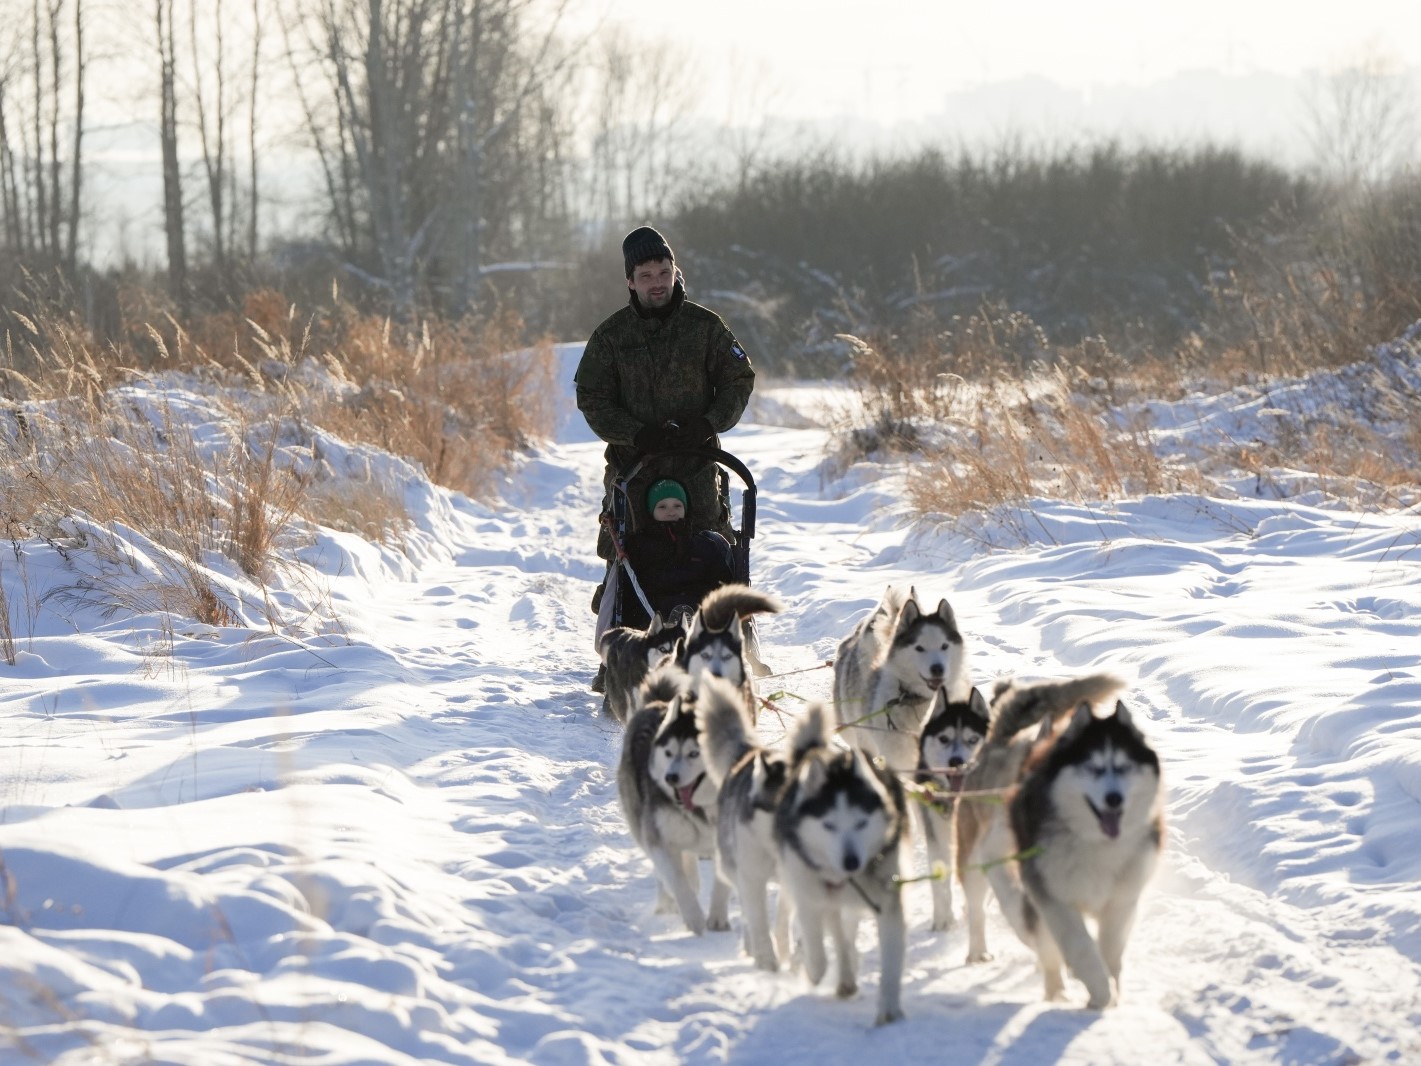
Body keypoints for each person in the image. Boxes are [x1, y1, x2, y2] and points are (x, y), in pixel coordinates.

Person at [576, 224, 755, 615]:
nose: (657, 283)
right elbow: (592, 398)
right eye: (646, 276)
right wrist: (635, 434)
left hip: (697, 464)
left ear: (675, 270)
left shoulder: (705, 328)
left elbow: (738, 378)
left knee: (712, 549)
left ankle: (733, 637)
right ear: (630, 282)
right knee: (626, 551)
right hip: (635, 469)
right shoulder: (611, 338)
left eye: (664, 272)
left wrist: (708, 423)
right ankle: (618, 649)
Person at [618, 478, 734, 631]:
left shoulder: (703, 544)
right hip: (653, 612)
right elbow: (630, 588)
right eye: (662, 507)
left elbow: (720, 579)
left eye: (677, 505)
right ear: (651, 511)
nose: (671, 511)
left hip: (699, 609)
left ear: (686, 508)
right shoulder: (639, 545)